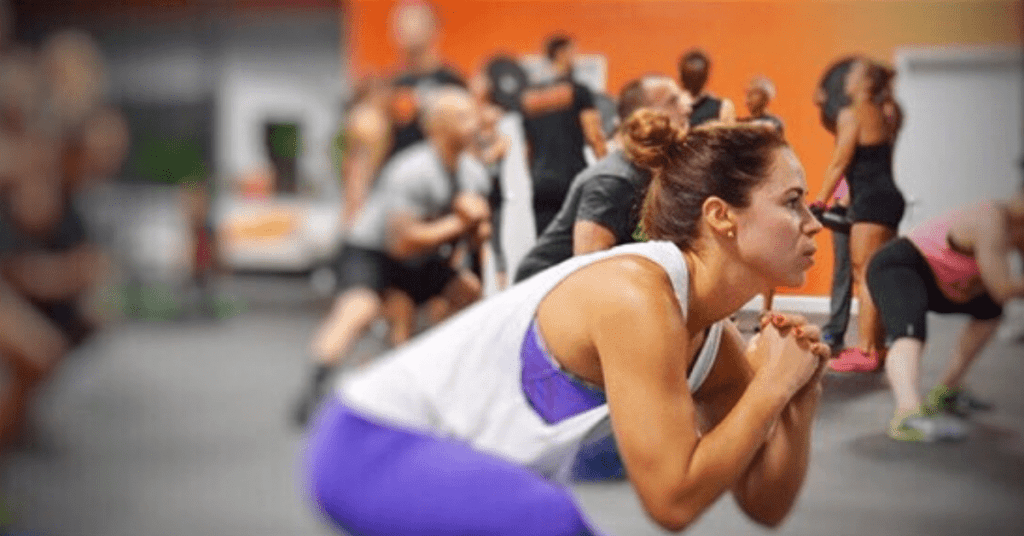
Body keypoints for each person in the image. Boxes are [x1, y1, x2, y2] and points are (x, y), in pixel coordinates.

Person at [305, 111, 828, 535]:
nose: (814, 224)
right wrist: (771, 387)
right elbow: (671, 502)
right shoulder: (636, 295)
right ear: (721, 216)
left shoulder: (711, 334)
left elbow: (764, 502)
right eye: (792, 202)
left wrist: (794, 401)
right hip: (372, 444)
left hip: (457, 463)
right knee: (551, 520)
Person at [292, 88, 490, 427]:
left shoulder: (474, 174)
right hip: (371, 250)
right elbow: (401, 244)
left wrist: (477, 230)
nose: (475, 124)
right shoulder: (412, 170)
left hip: (422, 255)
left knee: (470, 295)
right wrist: (460, 222)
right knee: (359, 310)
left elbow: (467, 236)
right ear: (437, 127)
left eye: (474, 115)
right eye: (463, 117)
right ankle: (311, 393)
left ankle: (452, 387)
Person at [868, 185, 1024, 441]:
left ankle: (945, 392)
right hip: (900, 265)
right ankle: (908, 416)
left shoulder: (1019, 229)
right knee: (910, 335)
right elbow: (1003, 287)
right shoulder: (991, 220)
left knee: (990, 310)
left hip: (945, 282)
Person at [514, 74, 690, 282]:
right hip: (540, 294)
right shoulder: (613, 181)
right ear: (643, 115)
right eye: (672, 101)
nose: (686, 108)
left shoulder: (654, 173)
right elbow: (590, 271)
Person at [813, 58, 904, 373]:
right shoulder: (889, 112)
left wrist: (819, 203)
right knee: (875, 274)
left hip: (871, 204)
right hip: (888, 198)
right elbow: (873, 161)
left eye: (852, 75)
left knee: (863, 274)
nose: (846, 80)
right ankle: (877, 347)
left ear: (865, 83)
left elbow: (840, 163)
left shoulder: (850, 115)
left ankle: (865, 350)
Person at [521, 34, 608, 235]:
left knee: (545, 246)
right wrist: (607, 171)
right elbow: (594, 136)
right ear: (561, 54)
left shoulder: (530, 97)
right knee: (573, 248)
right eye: (572, 53)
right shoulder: (578, 90)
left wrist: (534, 176)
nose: (575, 59)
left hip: (541, 182)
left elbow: (528, 148)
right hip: (571, 180)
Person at [678, 48, 736, 127]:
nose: (694, 79)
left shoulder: (722, 106)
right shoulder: (671, 106)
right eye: (689, 75)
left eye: (698, 75)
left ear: (705, 76)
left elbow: (730, 137)